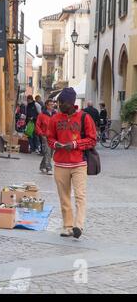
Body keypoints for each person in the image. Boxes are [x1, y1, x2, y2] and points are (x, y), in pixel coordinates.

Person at [47, 88, 97, 239]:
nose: (59, 105)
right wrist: (56, 144)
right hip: (60, 163)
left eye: (61, 102)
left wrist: (75, 144)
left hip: (79, 163)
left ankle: (78, 225)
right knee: (64, 197)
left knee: (80, 196)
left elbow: (92, 139)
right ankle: (67, 226)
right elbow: (49, 138)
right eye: (58, 102)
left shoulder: (84, 117)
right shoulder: (55, 119)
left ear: (70, 103)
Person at [36, 100, 57, 175]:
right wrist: (41, 134)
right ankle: (49, 168)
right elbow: (37, 125)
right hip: (45, 136)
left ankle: (42, 166)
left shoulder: (56, 114)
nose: (52, 106)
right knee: (47, 151)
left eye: (53, 104)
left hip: (53, 137)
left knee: (50, 153)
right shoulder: (41, 115)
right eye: (50, 104)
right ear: (47, 105)